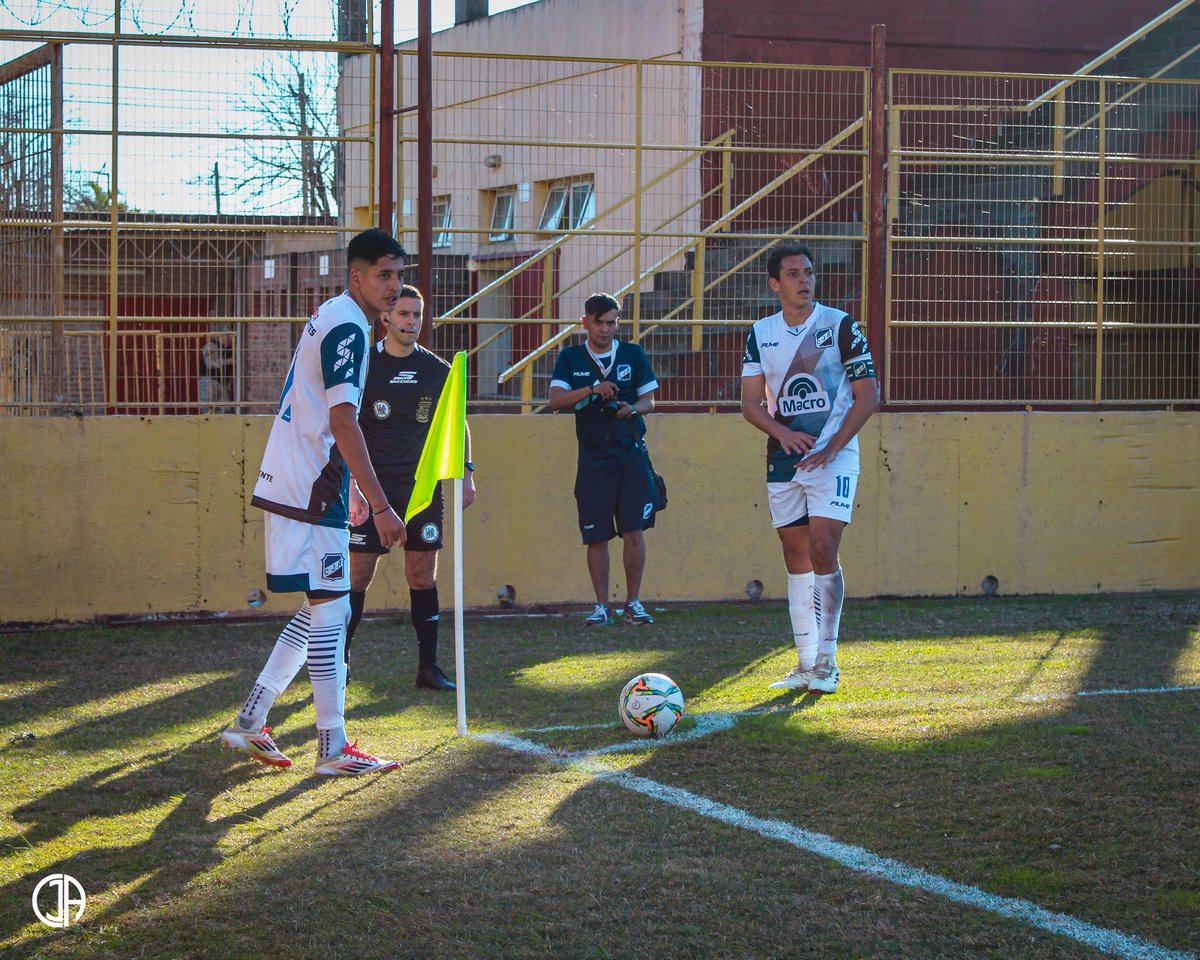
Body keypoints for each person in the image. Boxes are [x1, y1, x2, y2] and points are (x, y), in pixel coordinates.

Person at [219, 228, 407, 776]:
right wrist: (378, 504)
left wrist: (347, 487)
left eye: (399, 274)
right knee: (333, 607)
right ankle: (331, 748)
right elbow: (341, 419)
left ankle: (249, 723)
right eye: (384, 275)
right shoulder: (348, 326)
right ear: (358, 277)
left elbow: (317, 411)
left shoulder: (335, 313)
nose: (394, 286)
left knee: (323, 604)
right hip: (308, 485)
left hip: (303, 480)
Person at [741, 241, 879, 694]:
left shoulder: (840, 326)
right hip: (784, 459)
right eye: (794, 274)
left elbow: (869, 396)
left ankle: (827, 662)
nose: (804, 281)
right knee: (795, 558)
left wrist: (832, 446)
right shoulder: (760, 333)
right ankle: (803, 663)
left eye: (809, 273)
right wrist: (781, 435)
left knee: (823, 547)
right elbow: (749, 404)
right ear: (774, 283)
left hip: (834, 457)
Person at [344, 285, 476, 691]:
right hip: (372, 491)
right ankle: (339, 664)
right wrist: (352, 485)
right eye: (403, 314)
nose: (411, 322)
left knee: (421, 575)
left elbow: (458, 422)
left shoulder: (436, 370)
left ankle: (428, 667)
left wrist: (466, 472)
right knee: (357, 577)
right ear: (386, 318)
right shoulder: (365, 365)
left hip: (422, 491)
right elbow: (343, 425)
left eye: (417, 315)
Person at [548, 292, 659, 627]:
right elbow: (555, 400)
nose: (607, 329)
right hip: (594, 458)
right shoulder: (570, 357)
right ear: (585, 323)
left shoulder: (632, 354)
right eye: (600, 322)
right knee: (595, 535)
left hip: (630, 456)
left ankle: (633, 603)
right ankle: (601, 606)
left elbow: (648, 402)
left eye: (613, 322)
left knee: (633, 530)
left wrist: (630, 409)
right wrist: (591, 391)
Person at [198, 334, 233, 413]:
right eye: (229, 336)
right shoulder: (211, 346)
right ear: (221, 336)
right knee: (207, 409)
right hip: (209, 381)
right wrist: (231, 361)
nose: (230, 339)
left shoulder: (228, 349)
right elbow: (210, 363)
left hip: (223, 383)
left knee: (225, 410)